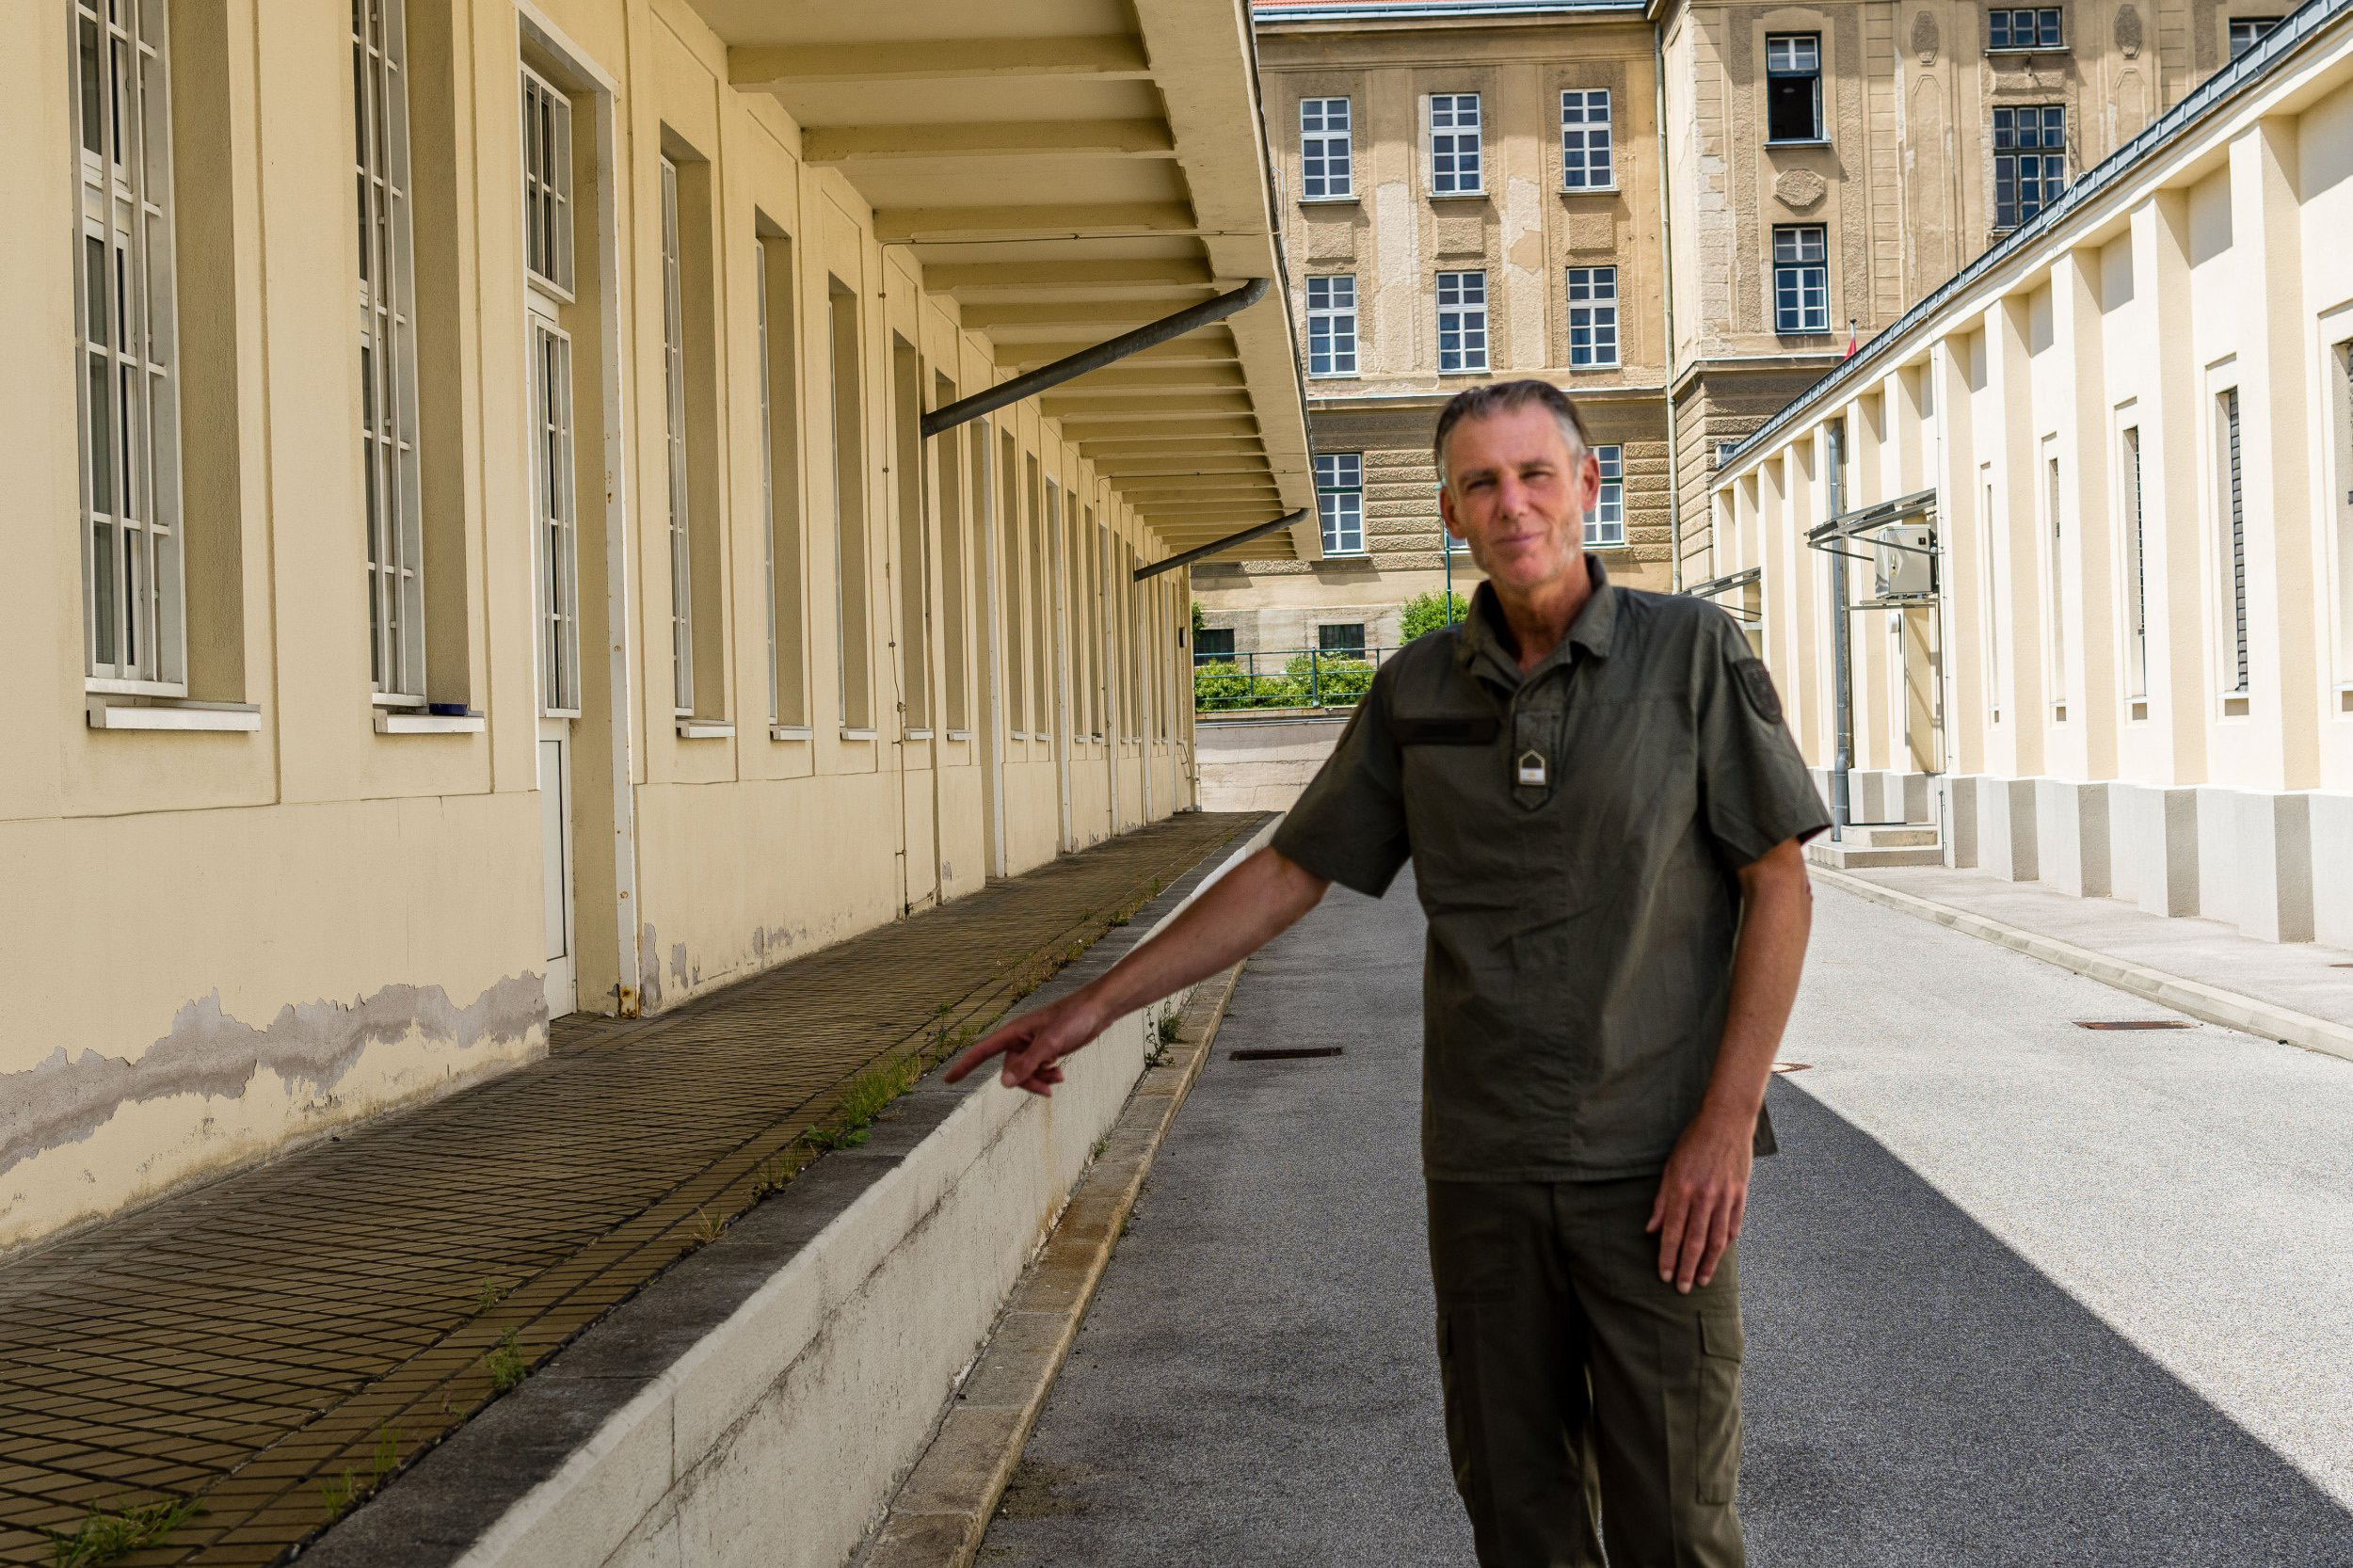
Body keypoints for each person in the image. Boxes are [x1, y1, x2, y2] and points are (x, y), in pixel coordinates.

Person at [947, 379, 1828, 1567]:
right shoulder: (1415, 690)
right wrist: (1093, 1004)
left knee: (1675, 1522)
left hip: (1656, 1170)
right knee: (1516, 1514)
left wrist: (1725, 1122)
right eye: (1481, 483)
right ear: (1450, 513)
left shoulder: (1690, 654)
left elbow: (1778, 883)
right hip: (1485, 1171)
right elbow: (1290, 871)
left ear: (1587, 485)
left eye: (1535, 474)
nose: (1512, 504)